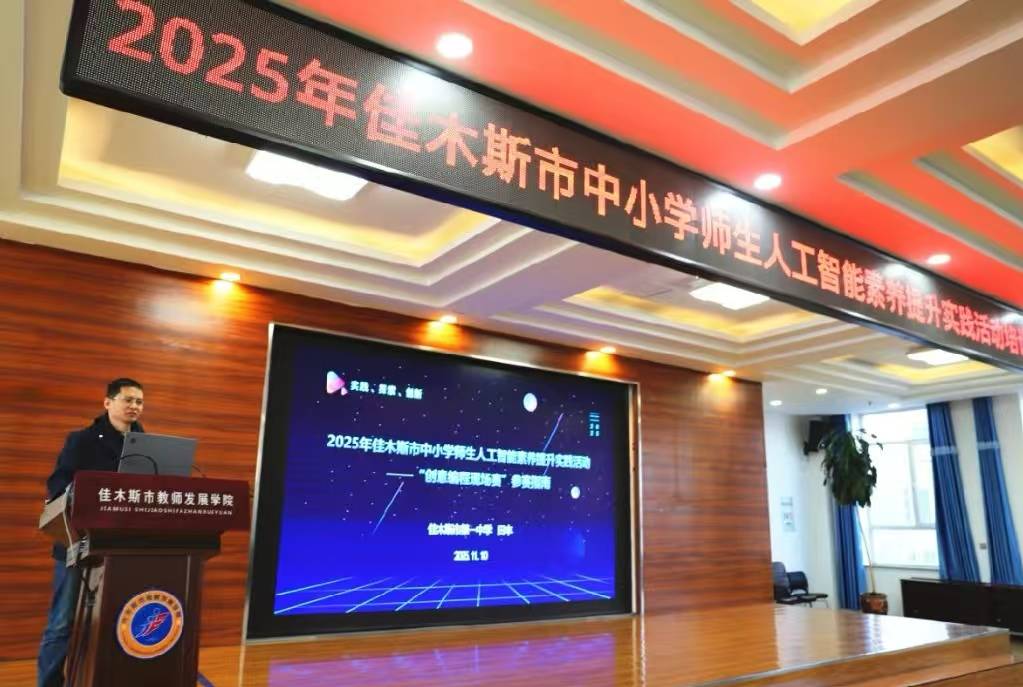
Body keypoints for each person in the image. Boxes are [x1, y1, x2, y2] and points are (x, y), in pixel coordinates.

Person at [37, 378, 145, 687]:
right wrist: (86, 495)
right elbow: (58, 484)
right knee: (62, 623)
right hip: (78, 543)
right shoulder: (82, 440)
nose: (134, 406)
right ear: (108, 402)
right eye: (128, 400)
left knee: (119, 619)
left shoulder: (148, 444)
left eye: (139, 401)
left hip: (125, 546)